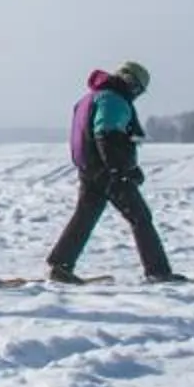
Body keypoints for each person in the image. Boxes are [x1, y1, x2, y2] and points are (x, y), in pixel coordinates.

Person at [47, 61, 182, 283]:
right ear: (131, 82)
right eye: (137, 89)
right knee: (140, 217)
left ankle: (60, 265)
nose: (137, 94)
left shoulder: (89, 98)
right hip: (108, 171)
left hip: (88, 169)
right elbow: (106, 135)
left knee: (85, 217)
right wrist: (123, 170)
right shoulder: (113, 99)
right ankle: (158, 271)